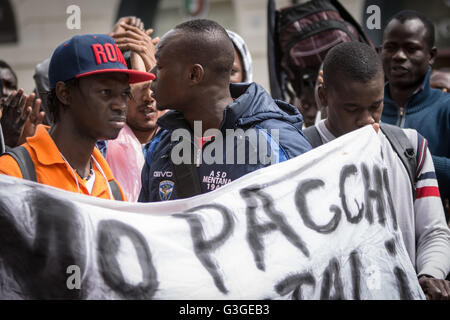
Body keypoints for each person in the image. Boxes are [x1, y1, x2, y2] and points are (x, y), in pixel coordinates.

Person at [304, 41, 450, 299]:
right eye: (352, 109)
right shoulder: (299, 152)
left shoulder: (411, 147)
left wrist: (429, 274)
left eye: (375, 106)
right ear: (324, 95)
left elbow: (433, 231)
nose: (367, 120)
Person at [139, 19, 312, 202]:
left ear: (194, 75)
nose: (152, 73)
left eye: (160, 65)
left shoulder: (278, 144)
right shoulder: (161, 143)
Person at [0, 34, 155, 200]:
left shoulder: (111, 187)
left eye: (125, 93)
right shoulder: (13, 173)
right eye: (105, 92)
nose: (120, 105)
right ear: (64, 93)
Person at [380, 10, 450, 203]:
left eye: (411, 48)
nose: (399, 56)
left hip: (426, 230)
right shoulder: (365, 108)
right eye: (390, 47)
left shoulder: (445, 108)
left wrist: (413, 161)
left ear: (431, 55)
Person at [105, 20, 163, 202]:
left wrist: (153, 60)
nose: (148, 97)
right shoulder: (101, 145)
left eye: (154, 84)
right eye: (137, 86)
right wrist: (107, 52)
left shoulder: (184, 138)